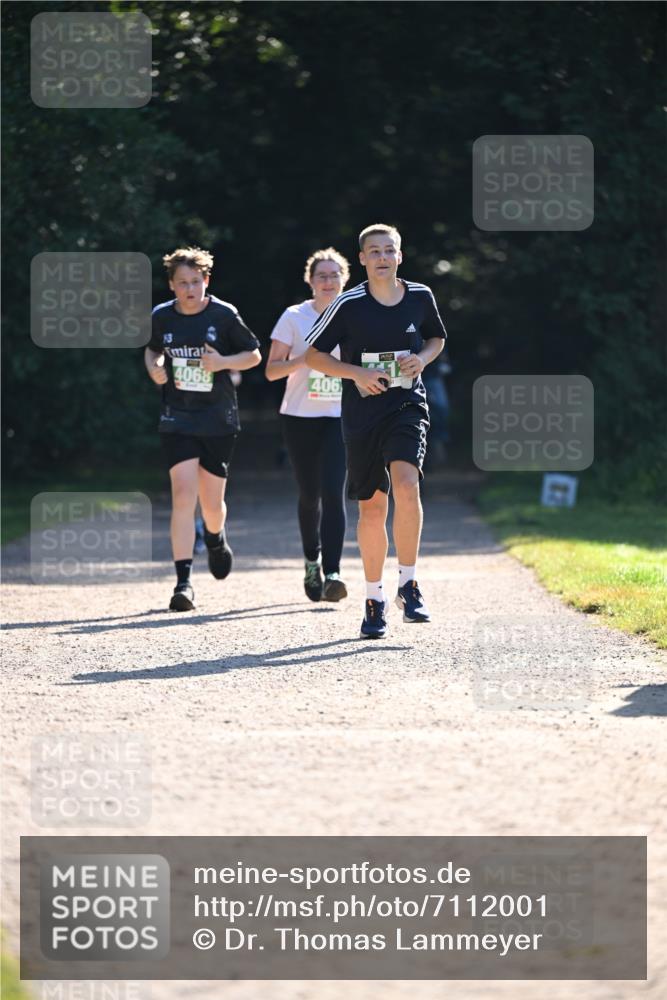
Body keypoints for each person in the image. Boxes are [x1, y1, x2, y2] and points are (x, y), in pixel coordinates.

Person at [304, 224, 447, 639]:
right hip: (363, 413)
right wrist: (356, 374)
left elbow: (436, 338)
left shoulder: (420, 296)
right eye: (374, 251)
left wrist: (421, 359)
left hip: (406, 405)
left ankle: (409, 583)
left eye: (390, 250)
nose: (383, 257)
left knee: (407, 484)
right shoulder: (349, 304)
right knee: (372, 508)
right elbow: (313, 355)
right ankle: (374, 598)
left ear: (400, 256)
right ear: (362, 259)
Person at [145, 246, 261, 611]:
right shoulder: (162, 316)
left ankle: (214, 535)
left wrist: (222, 361)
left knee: (211, 504)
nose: (190, 289)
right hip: (177, 415)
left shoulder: (224, 315)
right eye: (183, 283)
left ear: (206, 281)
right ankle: (183, 583)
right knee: (183, 493)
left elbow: (254, 355)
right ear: (171, 285)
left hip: (217, 417)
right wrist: (155, 367)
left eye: (196, 282)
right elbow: (151, 351)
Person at [265, 248, 350, 603]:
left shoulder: (355, 313)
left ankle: (332, 573)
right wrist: (306, 359)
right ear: (311, 281)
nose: (328, 281)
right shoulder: (294, 317)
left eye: (334, 275)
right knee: (309, 494)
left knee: (334, 492)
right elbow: (271, 370)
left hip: (340, 417)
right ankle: (310, 561)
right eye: (322, 276)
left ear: (344, 279)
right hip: (299, 416)